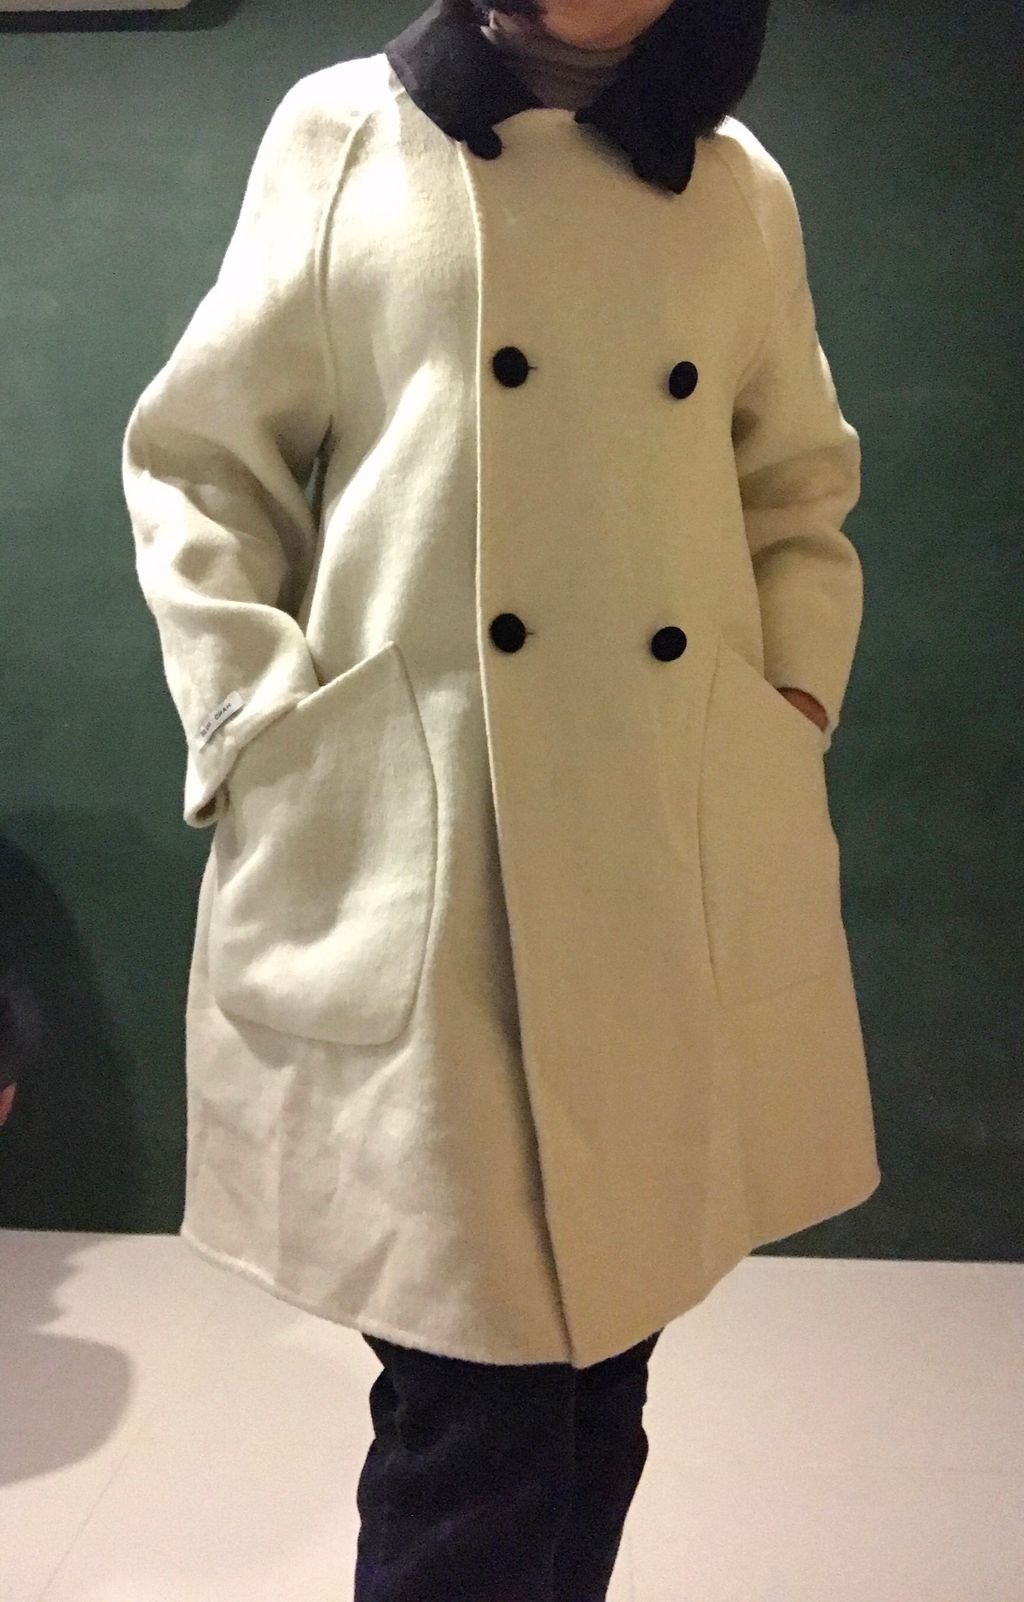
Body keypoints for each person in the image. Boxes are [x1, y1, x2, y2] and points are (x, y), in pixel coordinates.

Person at [121, 1, 881, 1597]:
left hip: (663, 841)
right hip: (431, 847)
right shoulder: (345, 132)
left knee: (606, 1381)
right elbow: (201, 460)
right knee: (477, 1413)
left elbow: (796, 483)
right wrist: (259, 722)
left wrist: (791, 700)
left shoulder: (740, 185)